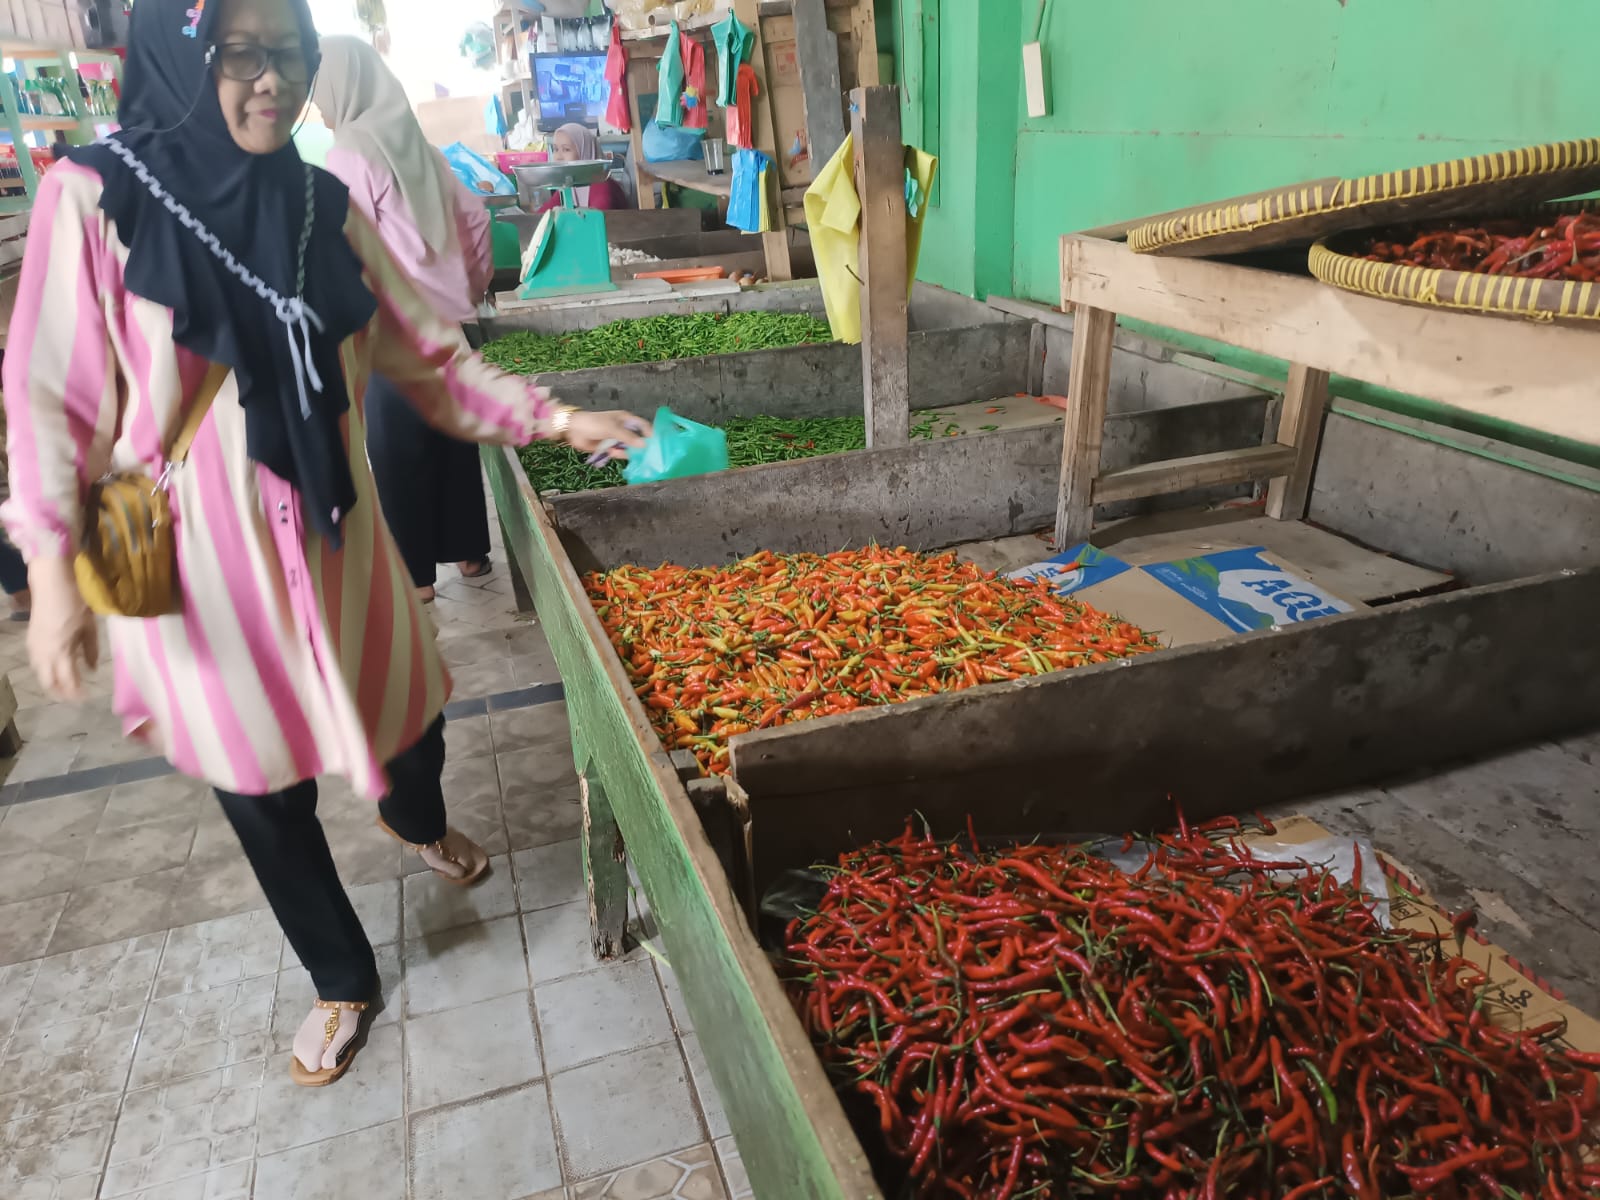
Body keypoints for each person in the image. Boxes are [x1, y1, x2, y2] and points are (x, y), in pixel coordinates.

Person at [2, 0, 647, 1086]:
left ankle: (418, 820)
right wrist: (56, 575)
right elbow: (48, 402)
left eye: (290, 54)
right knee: (260, 784)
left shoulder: (322, 203)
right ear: (180, 54)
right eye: (240, 55)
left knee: (409, 712)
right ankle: (340, 974)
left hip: (341, 537)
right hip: (205, 562)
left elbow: (426, 354)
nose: (273, 81)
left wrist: (555, 418)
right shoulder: (95, 201)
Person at [314, 35, 496, 602]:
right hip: (447, 328)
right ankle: (470, 554)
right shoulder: (422, 148)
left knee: (399, 453)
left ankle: (416, 578)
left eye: (318, 90)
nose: (316, 103)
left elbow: (343, 249)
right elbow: (477, 217)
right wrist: (469, 287)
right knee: (453, 438)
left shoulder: (347, 152)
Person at [536, 121, 627, 214]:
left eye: (566, 149)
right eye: (556, 149)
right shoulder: (570, 183)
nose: (558, 157)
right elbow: (540, 215)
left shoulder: (602, 184)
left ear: (585, 152)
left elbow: (595, 219)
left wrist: (560, 212)